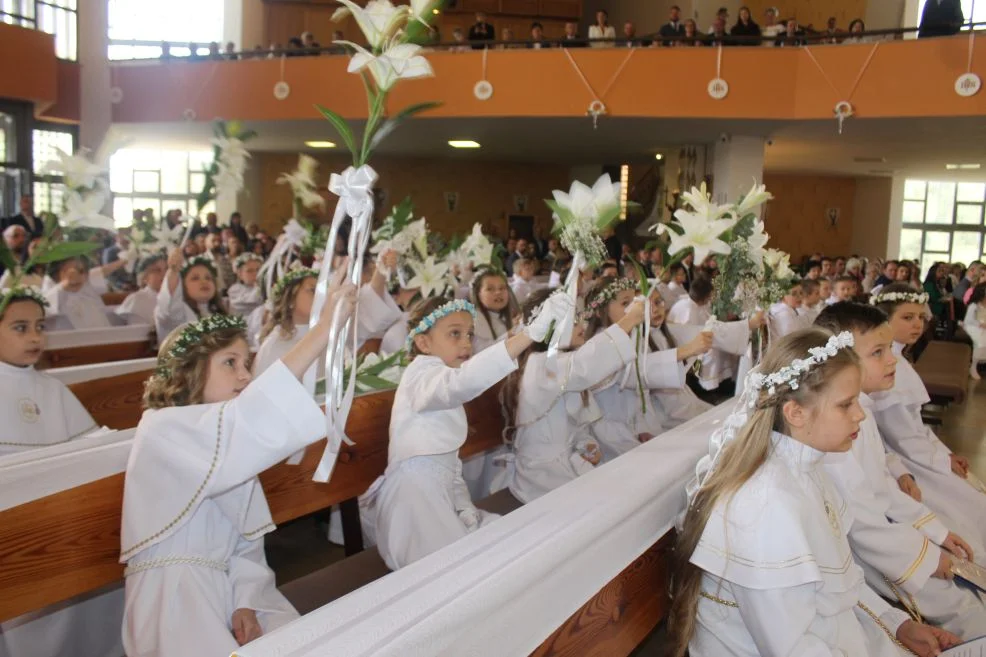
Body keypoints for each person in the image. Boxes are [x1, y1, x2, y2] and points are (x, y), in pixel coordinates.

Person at [668, 328, 962, 657]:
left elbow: (837, 584)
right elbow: (791, 647)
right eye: (846, 404)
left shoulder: (805, 468)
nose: (860, 414)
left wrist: (897, 624)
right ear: (795, 412)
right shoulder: (765, 508)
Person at [120, 269, 356, 656]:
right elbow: (248, 419)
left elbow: (247, 541)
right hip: (175, 596)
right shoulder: (162, 429)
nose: (246, 376)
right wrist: (323, 329)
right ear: (189, 371)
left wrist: (245, 598)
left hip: (232, 589)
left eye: (247, 364)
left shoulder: (224, 438)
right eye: (231, 363)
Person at [359, 294, 569, 570]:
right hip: (416, 502)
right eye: (454, 334)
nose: (466, 343)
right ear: (423, 343)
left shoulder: (440, 374)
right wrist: (527, 336)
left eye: (469, 334)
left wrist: (463, 505)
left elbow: (446, 463)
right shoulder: (421, 375)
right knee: (453, 570)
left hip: (433, 492)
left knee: (488, 549)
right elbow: (463, 381)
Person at [816, 301, 986, 638]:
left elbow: (881, 485)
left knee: (971, 579)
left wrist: (937, 532)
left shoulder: (859, 408)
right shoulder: (838, 426)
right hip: (874, 555)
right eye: (878, 352)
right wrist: (927, 556)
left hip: (890, 536)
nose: (893, 359)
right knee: (965, 611)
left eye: (889, 350)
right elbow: (862, 521)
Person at [871, 284, 986, 547]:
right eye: (907, 317)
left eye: (921, 317)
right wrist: (942, 461)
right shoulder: (889, 366)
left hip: (920, 452)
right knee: (971, 508)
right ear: (885, 319)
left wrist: (946, 453)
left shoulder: (899, 359)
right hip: (910, 461)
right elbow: (903, 439)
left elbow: (916, 427)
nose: (918, 325)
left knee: (975, 497)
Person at [502, 289, 643, 502]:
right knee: (614, 501)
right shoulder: (539, 365)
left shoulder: (558, 361)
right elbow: (585, 365)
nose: (583, 326)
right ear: (551, 327)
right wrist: (628, 321)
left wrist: (585, 444)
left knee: (629, 487)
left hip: (565, 461)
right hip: (541, 473)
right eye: (573, 319)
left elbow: (575, 424)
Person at [584, 278, 712, 460]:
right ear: (600, 311)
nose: (636, 308)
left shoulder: (633, 334)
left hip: (639, 425)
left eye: (634, 301)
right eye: (625, 303)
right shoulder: (600, 344)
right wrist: (685, 351)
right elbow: (636, 373)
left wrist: (643, 427)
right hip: (614, 434)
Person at [667, 276, 763, 392]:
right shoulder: (689, 311)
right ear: (704, 298)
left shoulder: (689, 302)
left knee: (723, 343)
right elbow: (701, 333)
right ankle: (712, 386)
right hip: (690, 349)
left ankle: (726, 379)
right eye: (709, 296)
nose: (710, 299)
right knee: (718, 350)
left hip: (701, 340)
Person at [253, 268, 318, 378]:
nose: (321, 296)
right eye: (313, 290)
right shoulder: (276, 342)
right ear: (291, 299)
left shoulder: (328, 333)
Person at [156, 250, 226, 340]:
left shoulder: (219, 314)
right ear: (181, 285)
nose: (204, 282)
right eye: (195, 278)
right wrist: (173, 271)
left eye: (208, 278)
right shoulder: (178, 312)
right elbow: (169, 305)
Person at [44, 255, 129, 329]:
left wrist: (124, 260)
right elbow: (47, 306)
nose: (76, 276)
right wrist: (65, 284)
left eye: (81, 271)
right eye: (69, 272)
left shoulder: (87, 286)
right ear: (58, 274)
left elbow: (101, 271)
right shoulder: (52, 294)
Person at [471, 268, 518, 352]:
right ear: (479, 294)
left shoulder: (507, 316)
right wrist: (512, 333)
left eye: (502, 288)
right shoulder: (474, 319)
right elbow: (484, 353)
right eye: (490, 289)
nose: (498, 292)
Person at [117, 255, 167, 326]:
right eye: (157, 270)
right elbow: (137, 333)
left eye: (167, 269)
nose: (164, 274)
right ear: (144, 277)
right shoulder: (137, 299)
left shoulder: (176, 296)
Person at [226, 253, 264, 318]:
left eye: (258, 270)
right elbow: (253, 300)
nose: (256, 274)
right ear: (240, 274)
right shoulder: (234, 290)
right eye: (250, 271)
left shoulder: (264, 287)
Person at [965, 284, 986, 378]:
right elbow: (968, 320)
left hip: (983, 325)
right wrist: (980, 324)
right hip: (973, 326)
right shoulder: (974, 305)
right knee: (981, 339)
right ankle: (973, 366)